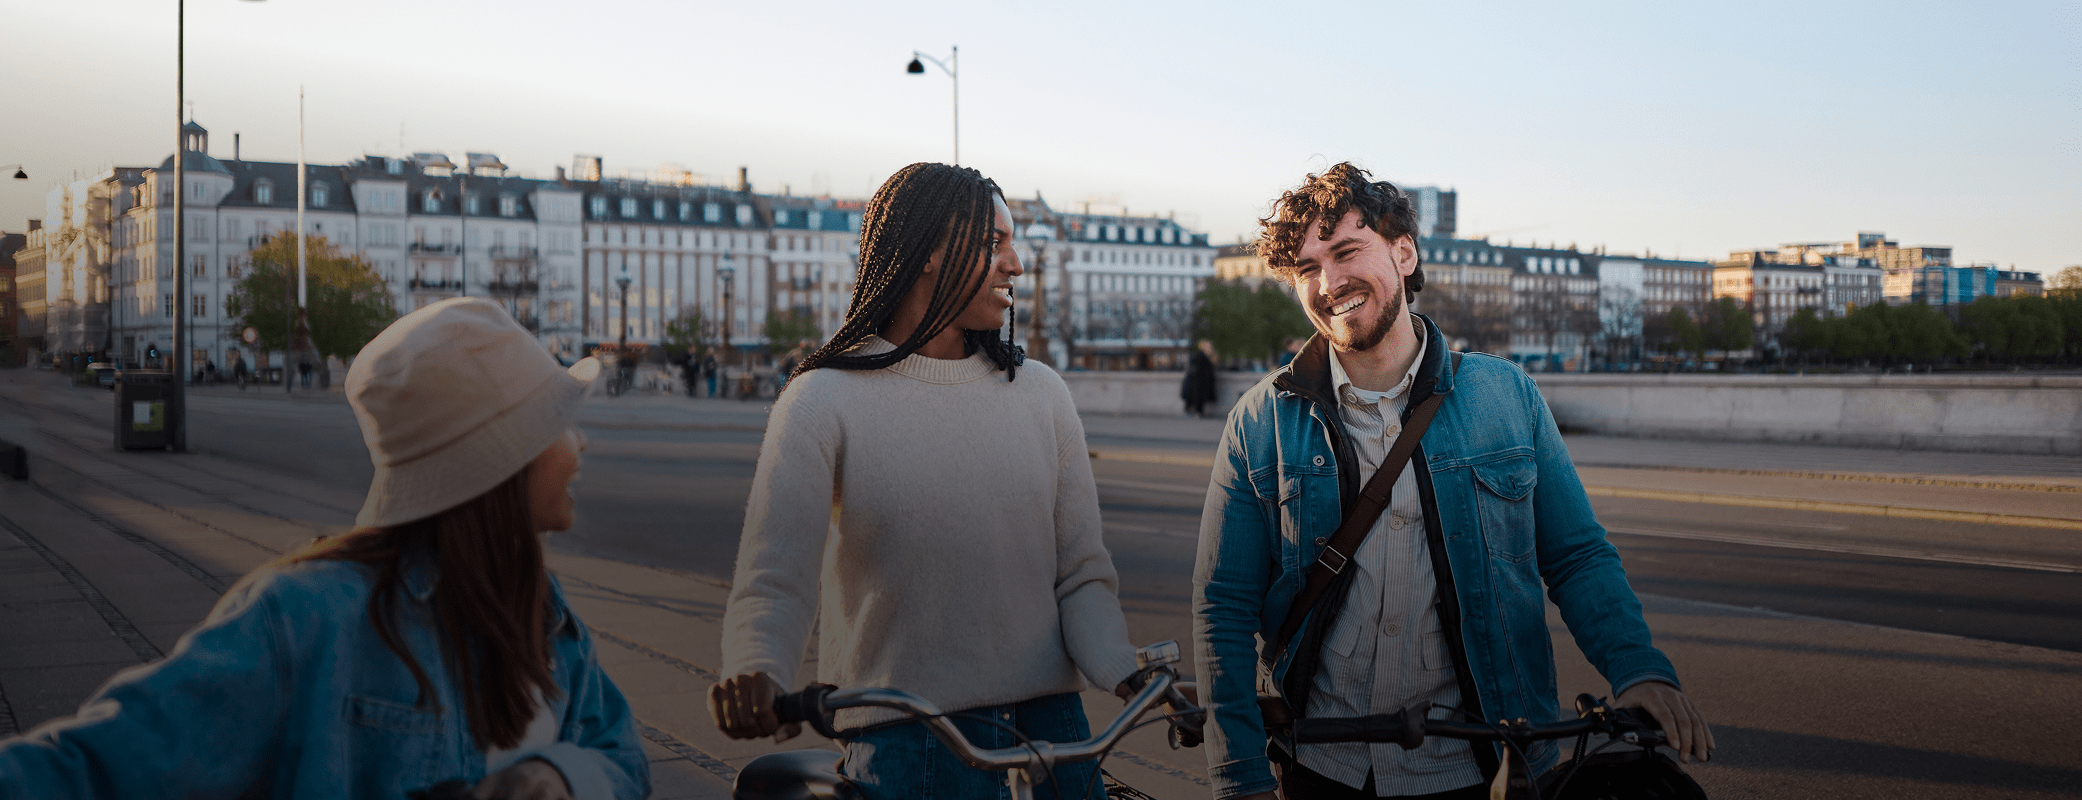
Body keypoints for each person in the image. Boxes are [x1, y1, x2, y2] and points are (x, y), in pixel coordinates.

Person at [1193, 164, 1712, 800]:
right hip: (1321, 766)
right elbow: (1223, 606)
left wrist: (1638, 669)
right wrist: (1239, 775)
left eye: (1347, 252)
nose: (1328, 283)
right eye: (1307, 268)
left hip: (1487, 763)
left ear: (1404, 253)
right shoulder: (1260, 421)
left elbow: (1577, 557)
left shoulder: (1506, 396)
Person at [0, 298, 649, 800]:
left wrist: (561, 774)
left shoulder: (544, 611)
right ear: (503, 458)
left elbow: (620, 754)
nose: (580, 444)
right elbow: (97, 767)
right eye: (560, 424)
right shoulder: (309, 616)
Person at [709, 163, 1141, 800]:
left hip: (1054, 735)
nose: (1017, 264)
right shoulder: (822, 399)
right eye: (994, 242)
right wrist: (755, 670)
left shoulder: (1041, 394)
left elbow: (1080, 574)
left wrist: (1130, 675)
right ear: (930, 251)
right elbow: (776, 574)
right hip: (906, 738)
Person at [1183, 339, 1218, 418]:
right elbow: (1205, 372)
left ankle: (1192, 411)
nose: (1211, 348)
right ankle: (1197, 412)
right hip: (1199, 385)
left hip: (1196, 385)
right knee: (1198, 400)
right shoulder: (1202, 358)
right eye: (1209, 346)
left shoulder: (1198, 356)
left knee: (1194, 400)